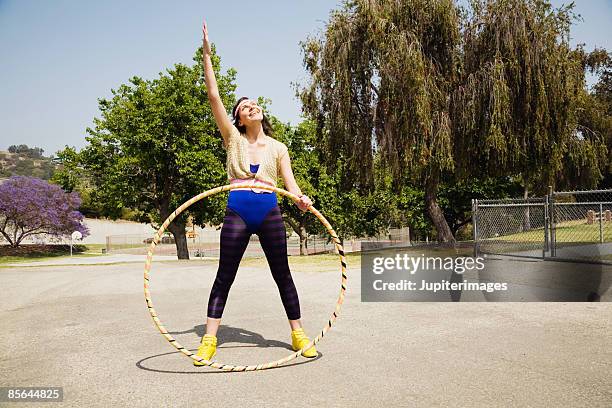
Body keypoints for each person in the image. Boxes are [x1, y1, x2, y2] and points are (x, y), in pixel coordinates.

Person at [194, 19, 317, 366]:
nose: (253, 107)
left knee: (283, 274)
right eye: (246, 107)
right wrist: (206, 53)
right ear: (238, 119)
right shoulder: (231, 139)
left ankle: (298, 334)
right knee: (225, 275)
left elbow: (290, 185)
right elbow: (214, 95)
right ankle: (208, 340)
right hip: (238, 210)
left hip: (269, 212)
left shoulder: (278, 147)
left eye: (255, 104)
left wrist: (301, 199)